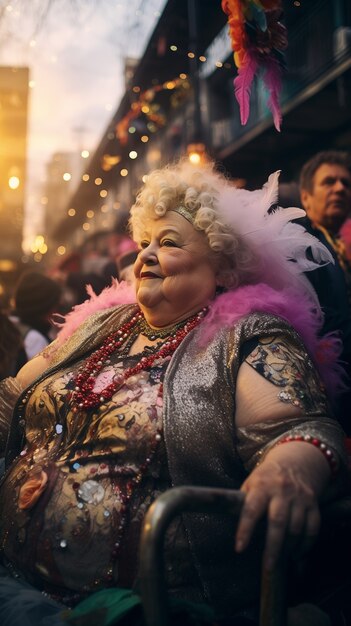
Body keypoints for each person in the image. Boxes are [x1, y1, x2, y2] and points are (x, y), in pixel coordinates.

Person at [0, 160, 348, 626]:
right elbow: (11, 398)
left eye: (167, 243)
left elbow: (300, 428)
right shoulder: (101, 324)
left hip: (146, 607)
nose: (144, 255)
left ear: (222, 268)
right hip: (12, 574)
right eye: (144, 242)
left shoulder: (248, 334)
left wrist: (289, 469)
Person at [299, 151, 351, 434]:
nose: (340, 188)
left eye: (346, 182)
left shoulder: (341, 242)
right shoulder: (301, 245)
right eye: (329, 182)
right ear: (305, 197)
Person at [11, 271, 63, 361]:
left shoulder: (12, 325)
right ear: (44, 307)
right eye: (55, 304)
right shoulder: (35, 339)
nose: (56, 310)